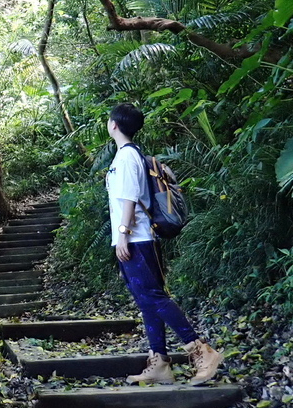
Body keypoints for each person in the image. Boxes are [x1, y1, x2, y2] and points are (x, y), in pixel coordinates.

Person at [105, 102, 223, 385]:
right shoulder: (129, 155)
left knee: (154, 298)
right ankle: (159, 362)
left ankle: (202, 351)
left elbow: (130, 200)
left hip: (137, 240)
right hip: (137, 240)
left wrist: (122, 234)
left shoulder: (126, 158)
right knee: (147, 302)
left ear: (114, 125)